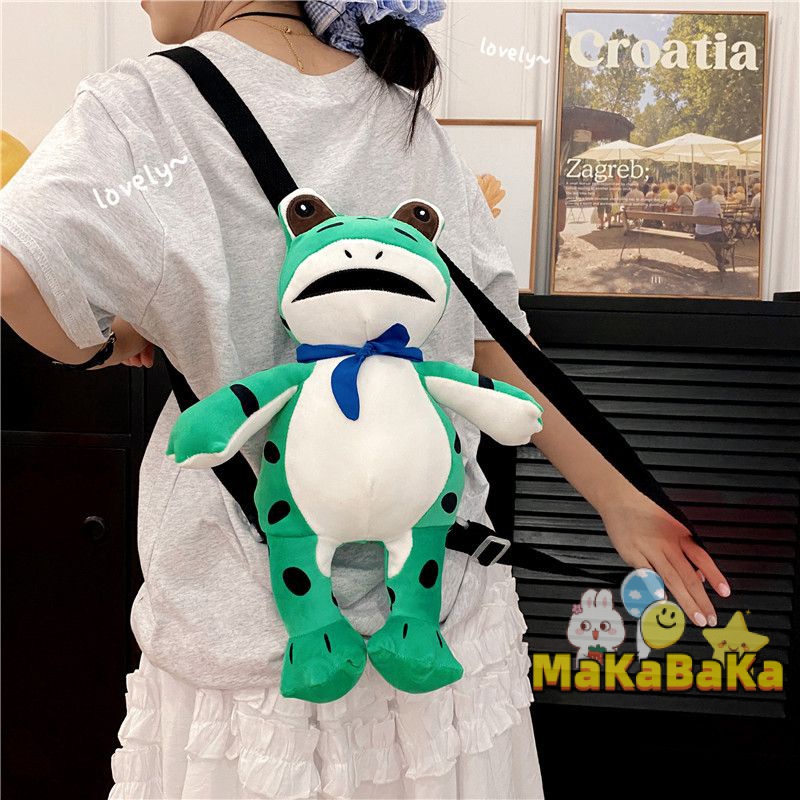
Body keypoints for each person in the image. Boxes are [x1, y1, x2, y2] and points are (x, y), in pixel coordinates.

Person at [0, 2, 730, 798]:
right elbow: (494, 346)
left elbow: (12, 271)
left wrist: (100, 343)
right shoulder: (402, 113)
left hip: (250, 628)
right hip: (441, 617)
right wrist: (618, 501)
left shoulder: (142, 107)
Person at [693, 182, 728, 272]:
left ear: (700, 192)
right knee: (718, 237)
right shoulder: (716, 204)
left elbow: (694, 217)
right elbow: (721, 218)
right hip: (715, 234)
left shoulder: (696, 204)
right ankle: (719, 257)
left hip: (700, 233)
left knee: (713, 238)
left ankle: (719, 257)